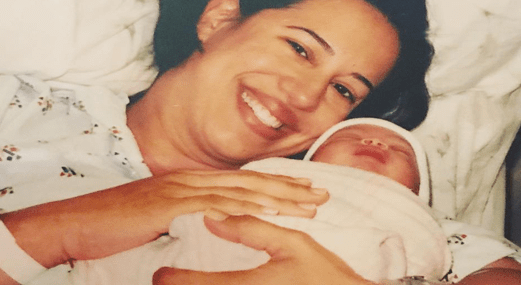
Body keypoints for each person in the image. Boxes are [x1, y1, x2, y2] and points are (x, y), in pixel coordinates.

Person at [0, 0, 433, 285]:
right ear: (219, 19)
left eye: (344, 91)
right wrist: (57, 230)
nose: (305, 97)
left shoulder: (339, 200)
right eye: (299, 48)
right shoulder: (4, 112)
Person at [69, 117, 448, 284]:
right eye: (347, 138)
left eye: (401, 150)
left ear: (417, 192)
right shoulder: (265, 175)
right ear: (311, 161)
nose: (376, 143)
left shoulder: (421, 223)